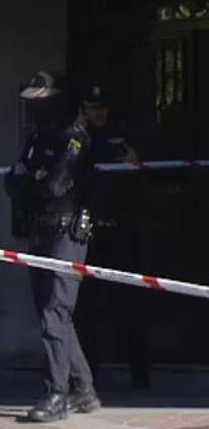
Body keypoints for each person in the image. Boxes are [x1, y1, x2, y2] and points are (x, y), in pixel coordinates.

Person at [5, 71, 102, 423]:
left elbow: (57, 186)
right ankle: (83, 388)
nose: (34, 109)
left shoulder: (74, 139)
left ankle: (56, 394)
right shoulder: (36, 139)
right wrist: (34, 178)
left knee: (55, 312)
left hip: (67, 233)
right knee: (52, 313)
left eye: (40, 101)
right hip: (39, 232)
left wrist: (33, 178)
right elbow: (10, 182)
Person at [75, 85, 151, 389]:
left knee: (129, 302)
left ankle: (140, 373)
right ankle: (87, 373)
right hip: (90, 229)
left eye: (102, 107)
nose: (98, 113)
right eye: (93, 108)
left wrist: (137, 162)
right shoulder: (79, 138)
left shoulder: (122, 135)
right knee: (85, 306)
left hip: (120, 227)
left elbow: (143, 172)